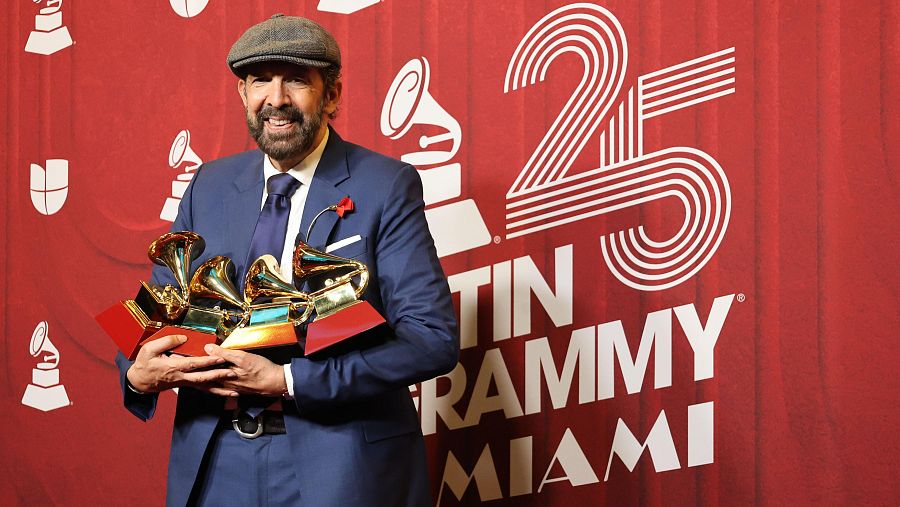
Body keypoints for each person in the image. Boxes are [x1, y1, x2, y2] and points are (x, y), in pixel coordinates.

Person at [114, 14, 459, 506]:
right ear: (243, 95)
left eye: (296, 80)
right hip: (216, 464)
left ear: (332, 95)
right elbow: (152, 315)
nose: (276, 99)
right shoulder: (208, 186)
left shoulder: (385, 185)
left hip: (338, 466)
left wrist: (288, 380)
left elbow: (431, 339)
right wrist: (136, 372)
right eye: (260, 82)